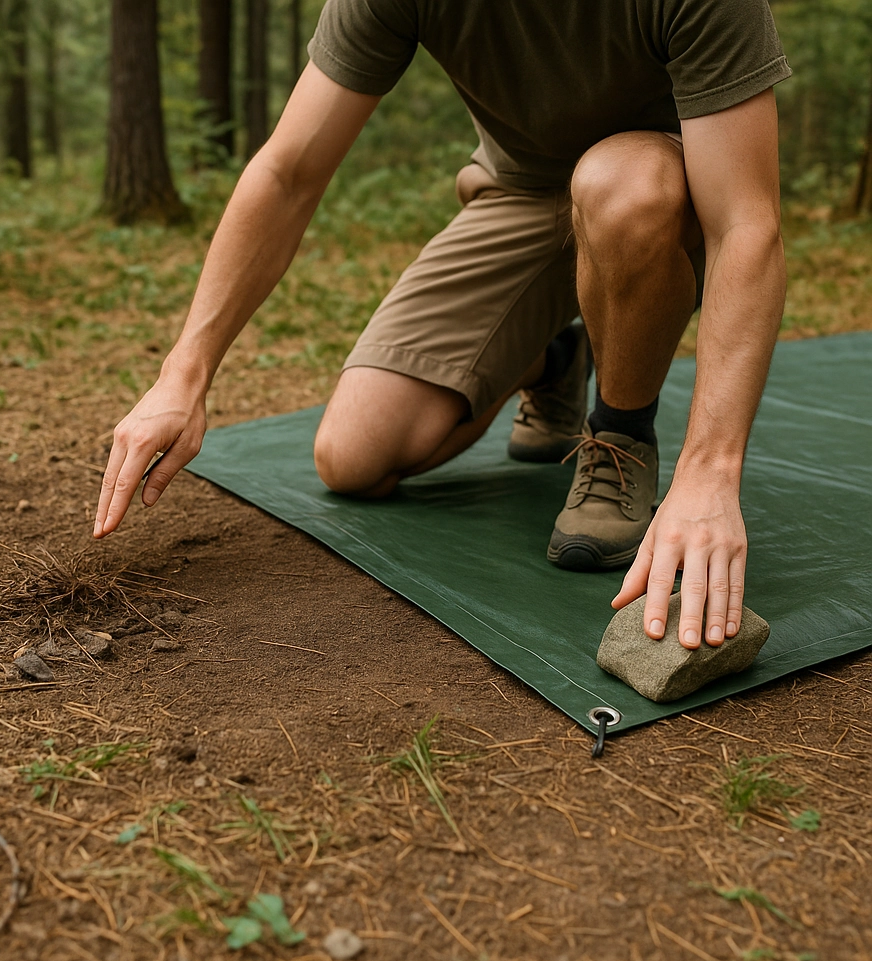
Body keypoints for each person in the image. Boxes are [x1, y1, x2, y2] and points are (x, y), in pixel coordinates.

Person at [94, 0, 790, 655]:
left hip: (655, 194)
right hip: (518, 191)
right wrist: (184, 371)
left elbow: (745, 225)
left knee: (621, 184)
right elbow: (288, 171)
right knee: (354, 456)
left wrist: (711, 474)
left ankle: (620, 433)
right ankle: (551, 360)